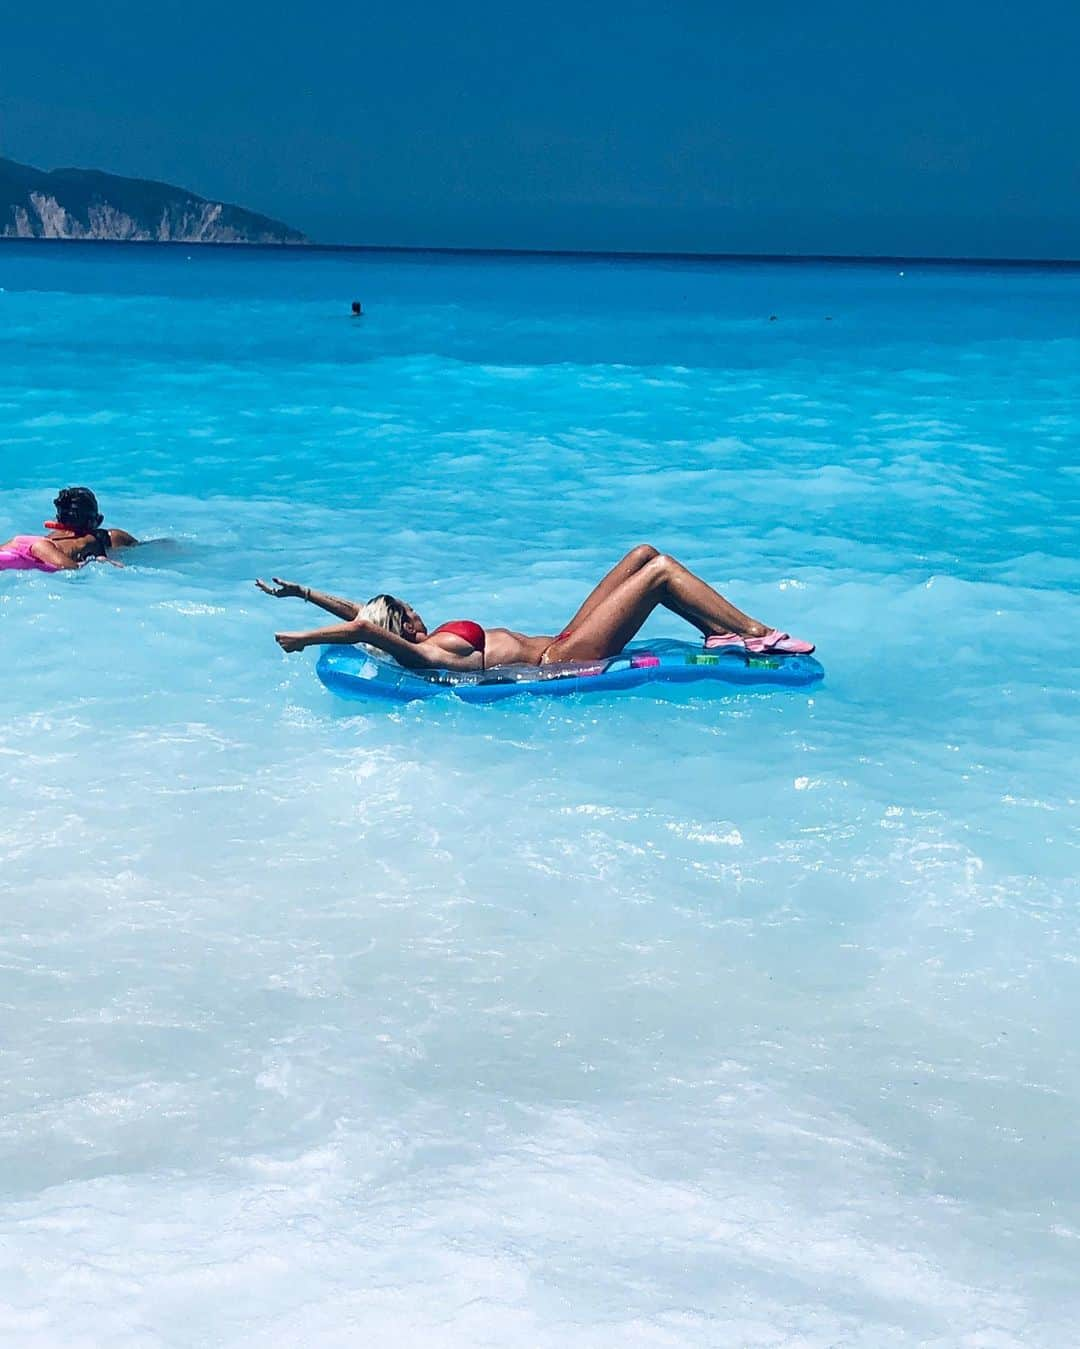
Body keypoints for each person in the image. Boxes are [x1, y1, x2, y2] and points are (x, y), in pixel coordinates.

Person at [256, 545, 814, 671]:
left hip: (561, 638)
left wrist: (304, 591)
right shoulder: (429, 655)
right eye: (407, 607)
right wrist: (303, 638)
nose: (416, 608)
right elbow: (364, 627)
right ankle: (754, 631)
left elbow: (361, 613)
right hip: (565, 658)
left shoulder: (421, 639)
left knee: (642, 554)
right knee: (660, 575)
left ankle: (719, 632)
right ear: (402, 622)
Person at [0, 487, 138, 572]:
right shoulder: (99, 539)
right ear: (98, 520)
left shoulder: (46, 540)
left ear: (57, 520)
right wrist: (94, 563)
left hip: (24, 547)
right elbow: (71, 568)